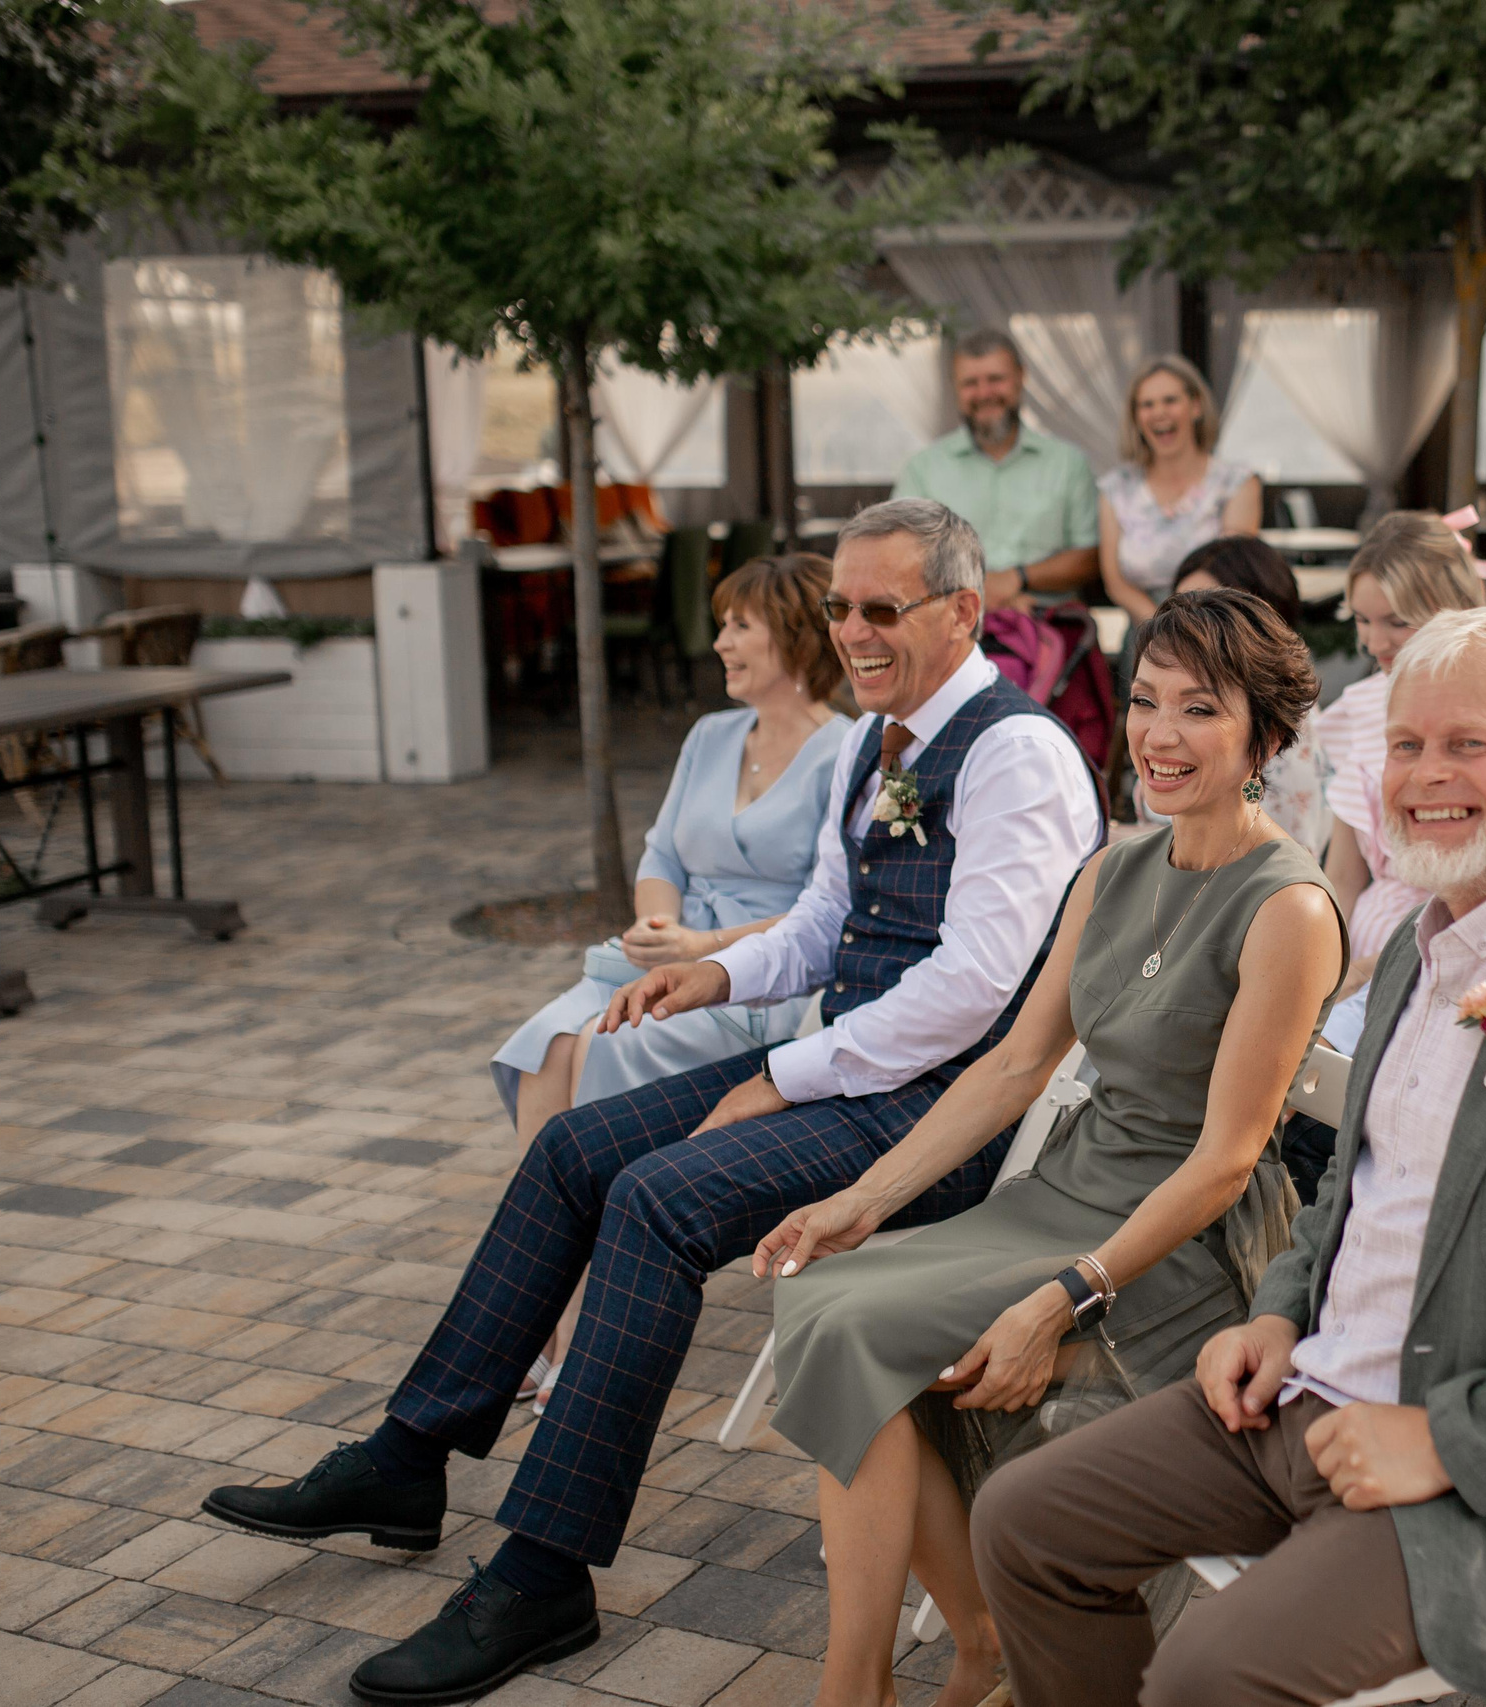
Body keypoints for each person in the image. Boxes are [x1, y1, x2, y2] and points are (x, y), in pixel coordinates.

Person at [197, 500, 1106, 1706]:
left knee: (655, 1202)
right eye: (839, 606)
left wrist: (776, 1075)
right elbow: (825, 927)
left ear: (960, 613)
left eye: (880, 609)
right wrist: (717, 975)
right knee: (574, 1146)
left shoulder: (1016, 755)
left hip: (943, 1118)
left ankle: (543, 1572)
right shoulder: (865, 743)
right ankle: (410, 1456)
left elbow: (974, 993)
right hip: (851, 1071)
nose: (850, 632)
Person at [969, 605, 1486, 1707]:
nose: (1424, 775)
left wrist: (1441, 1438)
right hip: (1300, 1395)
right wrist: (1277, 1314)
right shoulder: (1409, 952)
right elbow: (1354, 1186)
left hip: (1478, 1488)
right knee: (1022, 1521)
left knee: (1203, 1677)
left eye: (1468, 744)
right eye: (1404, 745)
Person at [758, 588, 1342, 1707]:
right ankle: (968, 1638)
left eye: (1198, 711)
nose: (1158, 737)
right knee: (819, 1295)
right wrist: (864, 1202)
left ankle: (854, 1690)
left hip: (1175, 1238)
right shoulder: (1113, 870)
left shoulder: (1290, 908)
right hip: (1067, 1186)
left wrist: (1065, 1296)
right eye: (1144, 702)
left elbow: (1227, 1159)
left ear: (1265, 738)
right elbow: (1015, 1067)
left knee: (854, 1327)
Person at [487, 553, 852, 1408]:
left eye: (739, 625)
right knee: (551, 1046)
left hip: (758, 981)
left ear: (794, 636)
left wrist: (707, 947)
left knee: (600, 1051)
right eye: (721, 622)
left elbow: (827, 911)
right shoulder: (708, 736)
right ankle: (542, 1316)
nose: (719, 639)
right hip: (662, 960)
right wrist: (658, 925)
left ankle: (573, 1337)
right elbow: (660, 855)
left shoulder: (847, 754)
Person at [1320, 512, 1486, 989]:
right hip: (1355, 952)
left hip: (1444, 958)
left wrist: (1359, 979)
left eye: (1397, 622)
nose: (1375, 643)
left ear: (1452, 610)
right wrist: (1319, 966)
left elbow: (1479, 896)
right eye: (1361, 620)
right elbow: (1344, 876)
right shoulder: (1362, 705)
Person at [893, 329, 1100, 608]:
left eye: (995, 379)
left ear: (1020, 377)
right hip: (949, 626)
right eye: (970, 383)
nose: (984, 393)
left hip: (1048, 629)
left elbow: (1088, 557)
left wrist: (1017, 578)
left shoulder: (1069, 463)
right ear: (955, 388)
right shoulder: (922, 468)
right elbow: (899, 553)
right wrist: (977, 590)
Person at [1166, 536, 1330, 850]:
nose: (1185, 629)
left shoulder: (1278, 725)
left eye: (1213, 614)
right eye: (1179, 611)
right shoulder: (1174, 702)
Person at [1097, 355, 1262, 623]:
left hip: (1216, 626)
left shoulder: (1237, 482)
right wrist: (1162, 629)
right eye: (1147, 404)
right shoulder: (1115, 489)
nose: (1159, 412)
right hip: (1146, 630)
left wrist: (1190, 632)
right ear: (1136, 417)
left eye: (1170, 400)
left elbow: (1234, 573)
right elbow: (1115, 583)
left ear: (1196, 407)